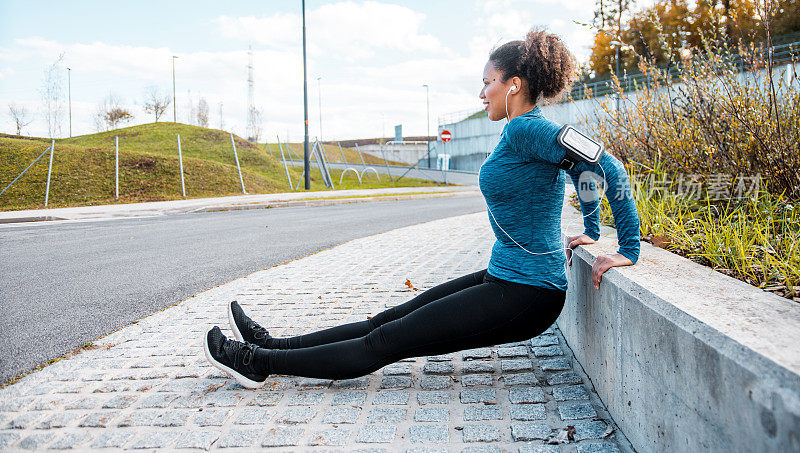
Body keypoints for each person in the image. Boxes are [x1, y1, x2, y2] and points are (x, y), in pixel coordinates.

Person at [203, 28, 641, 389]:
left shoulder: (530, 130)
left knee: (387, 341)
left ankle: (256, 363)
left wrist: (629, 248)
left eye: (488, 81)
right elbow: (575, 171)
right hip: (505, 275)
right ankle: (274, 345)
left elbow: (609, 169)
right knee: (386, 320)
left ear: (514, 85)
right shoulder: (517, 133)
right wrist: (591, 228)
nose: (481, 93)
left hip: (529, 294)